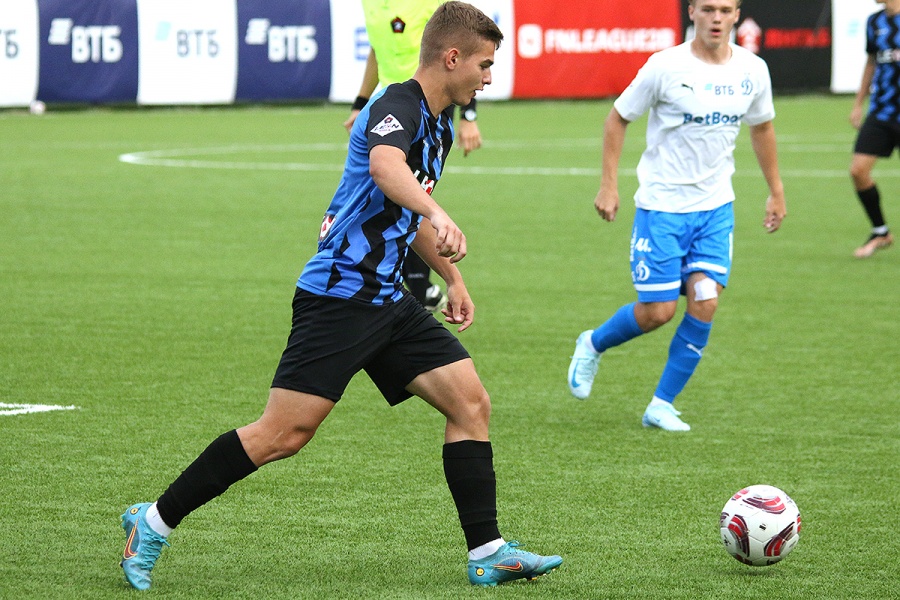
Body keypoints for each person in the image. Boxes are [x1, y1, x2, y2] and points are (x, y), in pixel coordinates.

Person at [119, 2, 561, 590]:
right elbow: (385, 168)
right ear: (452, 58)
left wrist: (452, 278)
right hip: (340, 295)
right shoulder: (398, 104)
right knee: (284, 434)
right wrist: (438, 211)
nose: (488, 77)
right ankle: (151, 521)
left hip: (388, 298)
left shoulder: (439, 123)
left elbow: (406, 210)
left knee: (470, 403)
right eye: (484, 64)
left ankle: (489, 551)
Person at [567, 0, 786, 431]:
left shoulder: (753, 70)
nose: (716, 18)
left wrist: (776, 191)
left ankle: (661, 404)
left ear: (737, 14)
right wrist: (609, 184)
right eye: (708, 9)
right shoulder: (664, 66)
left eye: (725, 10)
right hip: (662, 208)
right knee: (659, 312)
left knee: (705, 300)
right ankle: (592, 343)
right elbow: (618, 119)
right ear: (692, 12)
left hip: (715, 209)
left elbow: (762, 128)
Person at [343, 0, 486, 312]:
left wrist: (469, 115)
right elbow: (377, 50)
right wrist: (361, 103)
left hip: (427, 107)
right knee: (396, 197)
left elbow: (463, 51)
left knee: (407, 200)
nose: (488, 78)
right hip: (392, 110)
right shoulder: (371, 6)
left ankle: (414, 288)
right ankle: (411, 289)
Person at [848, 0, 896, 259]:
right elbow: (871, 62)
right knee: (858, 171)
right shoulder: (874, 21)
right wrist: (858, 103)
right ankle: (880, 231)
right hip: (881, 112)